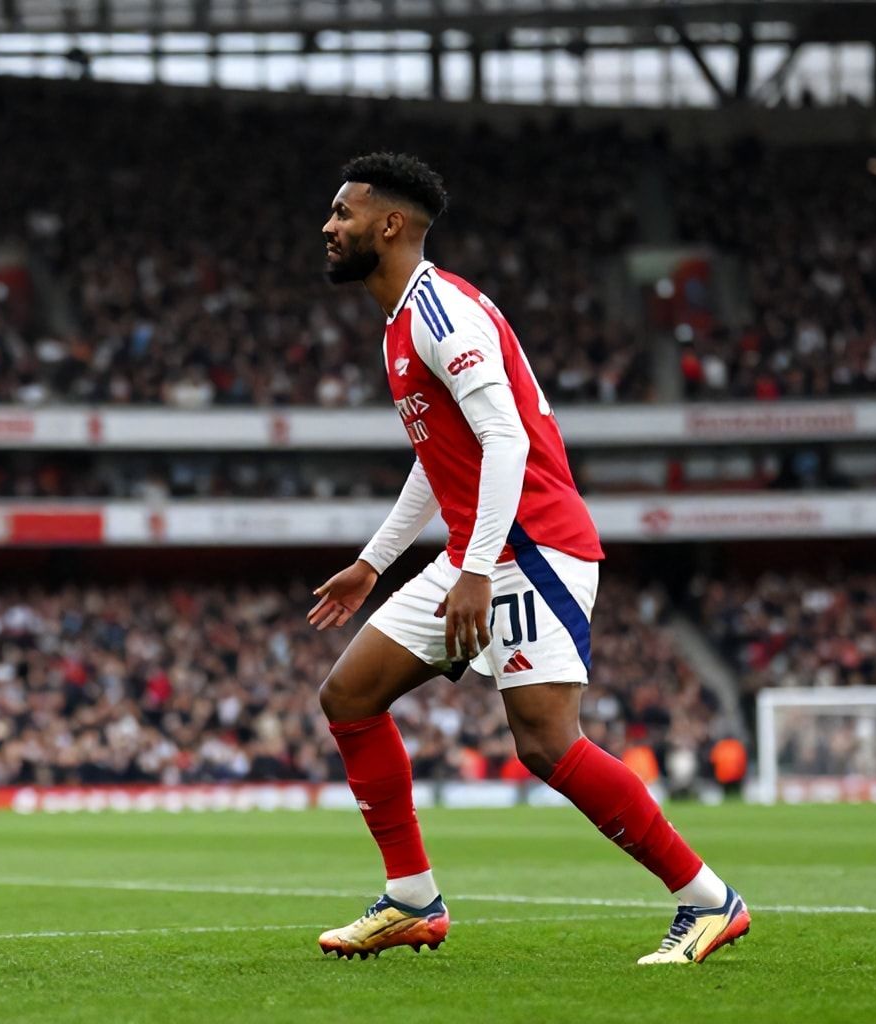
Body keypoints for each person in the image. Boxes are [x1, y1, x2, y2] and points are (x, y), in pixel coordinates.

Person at [306, 152, 748, 965]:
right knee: (350, 695)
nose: (329, 228)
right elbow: (437, 458)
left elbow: (506, 440)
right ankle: (412, 897)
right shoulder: (401, 320)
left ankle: (709, 900)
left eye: (344, 214)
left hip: (533, 546)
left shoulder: (442, 316)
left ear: (390, 224)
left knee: (547, 744)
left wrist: (476, 569)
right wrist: (375, 562)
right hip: (482, 546)